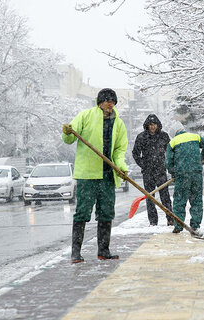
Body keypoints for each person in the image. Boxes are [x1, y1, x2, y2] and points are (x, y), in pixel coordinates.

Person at [62, 88, 128, 263]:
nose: (110, 105)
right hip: (88, 175)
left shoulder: (118, 123)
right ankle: (76, 252)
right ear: (99, 102)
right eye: (107, 101)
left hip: (107, 175)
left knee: (106, 213)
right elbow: (69, 138)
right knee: (82, 212)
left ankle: (103, 250)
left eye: (112, 102)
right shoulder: (85, 115)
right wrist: (67, 131)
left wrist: (120, 166)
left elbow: (120, 150)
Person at [165, 121, 204, 233]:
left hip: (182, 175)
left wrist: (173, 172)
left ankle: (178, 225)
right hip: (196, 173)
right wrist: (202, 156)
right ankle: (195, 225)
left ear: (173, 133)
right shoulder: (195, 137)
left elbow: (168, 162)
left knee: (179, 201)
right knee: (196, 200)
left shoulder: (172, 142)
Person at [132, 114, 174, 226]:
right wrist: (143, 165)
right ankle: (153, 221)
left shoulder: (163, 136)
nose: (152, 127)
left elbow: (170, 152)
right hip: (148, 172)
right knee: (150, 198)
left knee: (165, 197)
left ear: (157, 125)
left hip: (161, 171)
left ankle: (170, 218)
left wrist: (168, 165)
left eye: (154, 124)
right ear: (147, 125)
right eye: (150, 124)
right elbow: (135, 153)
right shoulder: (141, 137)